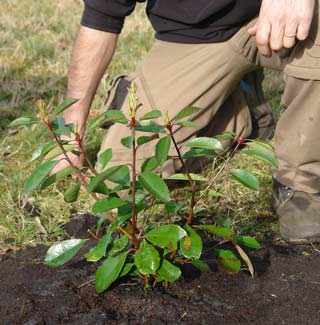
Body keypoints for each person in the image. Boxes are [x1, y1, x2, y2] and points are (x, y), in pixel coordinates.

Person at [55, 0, 320, 243]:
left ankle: (300, 181)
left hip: (294, 13)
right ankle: (238, 109)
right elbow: (101, 17)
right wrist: (70, 133)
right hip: (197, 36)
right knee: (123, 180)